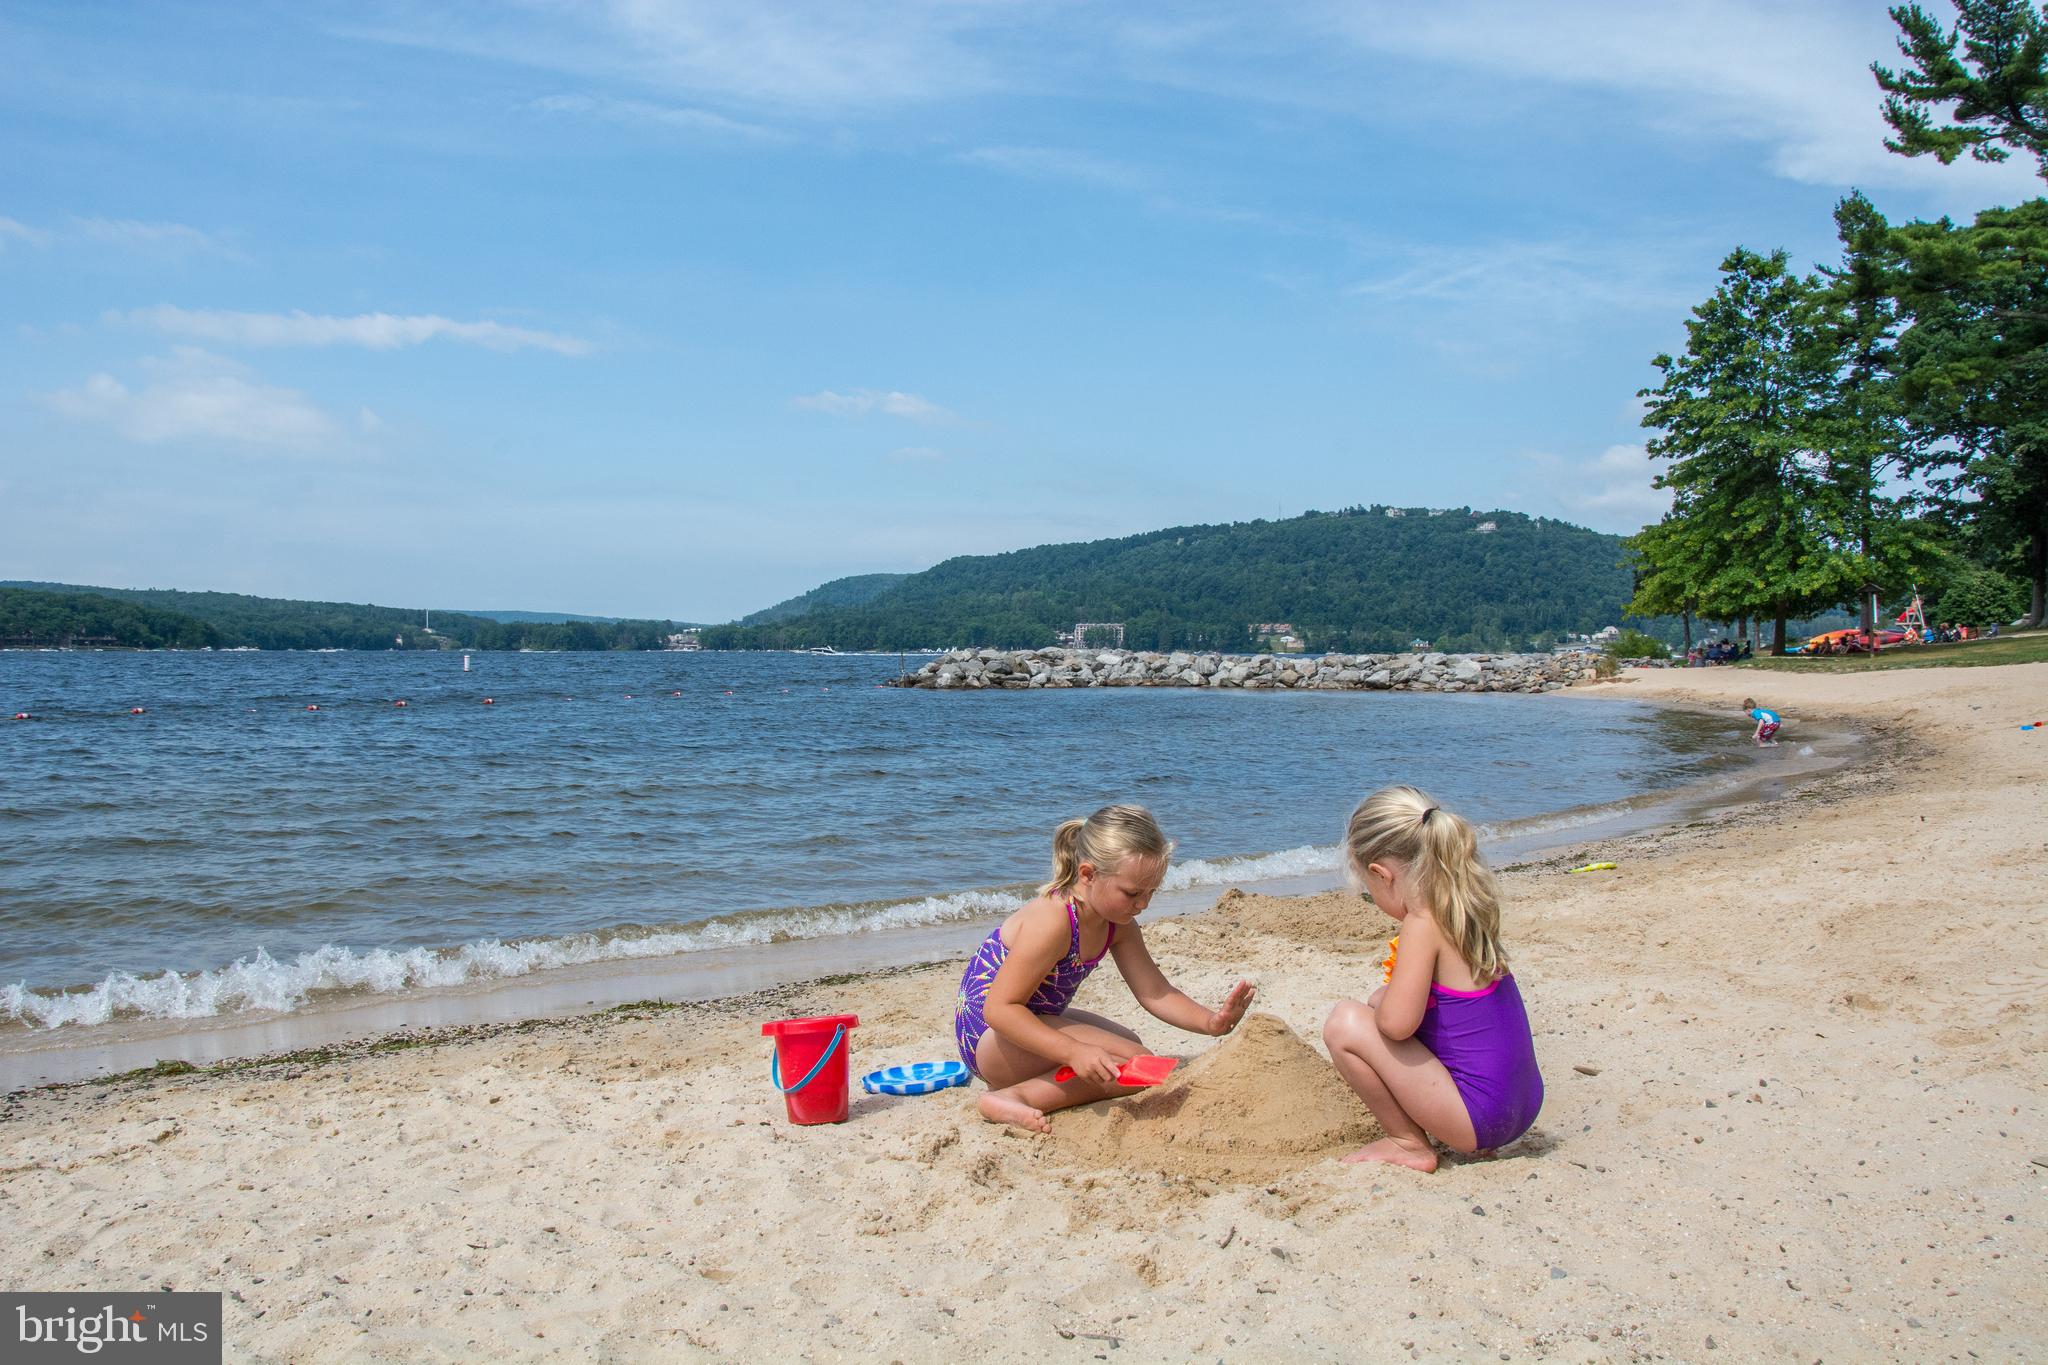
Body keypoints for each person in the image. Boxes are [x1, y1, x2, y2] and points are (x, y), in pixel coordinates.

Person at [953, 804, 1255, 1133]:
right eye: (1132, 893)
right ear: (1087, 874)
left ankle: (1026, 1086)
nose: (1144, 904)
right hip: (991, 1037)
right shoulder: (1052, 921)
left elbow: (1156, 992)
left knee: (1127, 1044)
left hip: (1027, 1023)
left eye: (1152, 891)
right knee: (1137, 1064)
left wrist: (1210, 1022)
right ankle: (1016, 1096)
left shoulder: (1118, 924)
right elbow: (998, 1010)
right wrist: (1072, 1051)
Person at [1323, 788, 1542, 1171]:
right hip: (1522, 1106)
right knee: (1381, 1000)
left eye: (1368, 890)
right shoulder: (1467, 909)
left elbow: (1396, 1025)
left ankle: (1407, 1143)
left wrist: (1379, 1007)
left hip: (1481, 1119)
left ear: (1382, 875)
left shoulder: (1421, 924)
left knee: (1344, 1022)